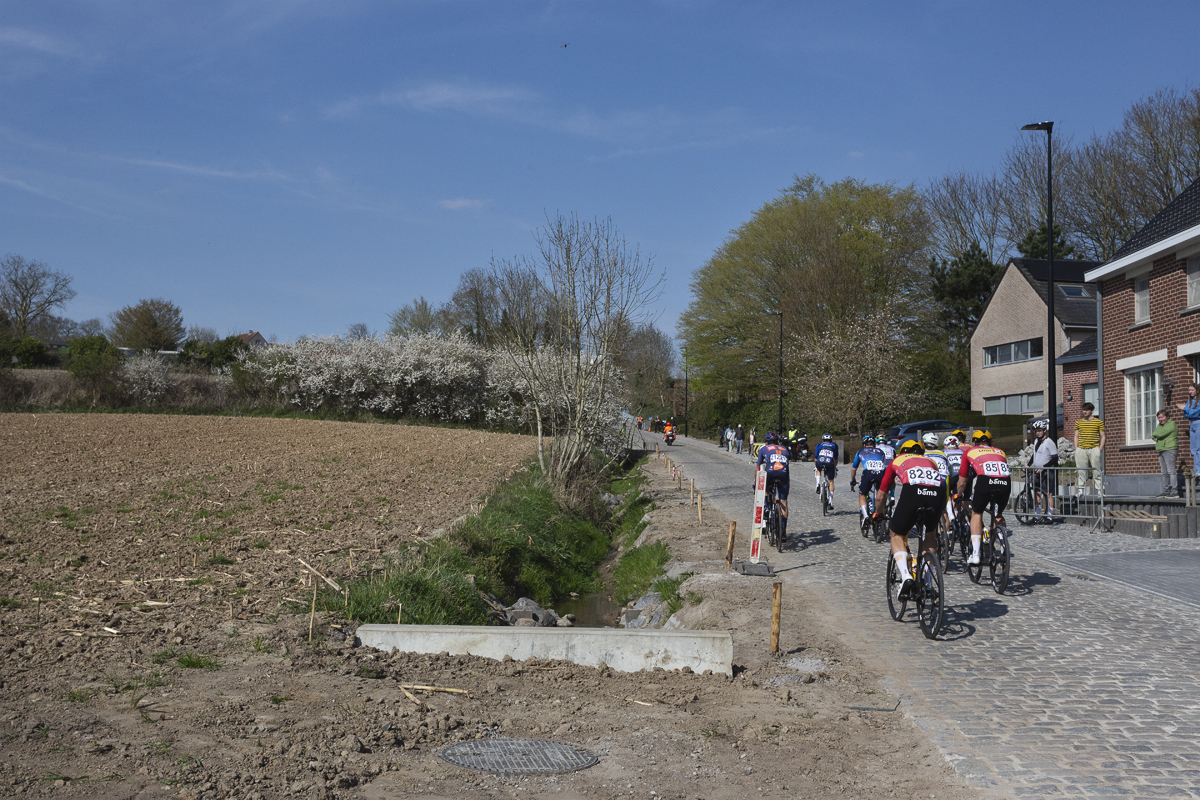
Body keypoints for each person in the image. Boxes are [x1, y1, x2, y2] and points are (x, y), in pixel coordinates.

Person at [873, 439, 945, 600]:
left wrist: (878, 514)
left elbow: (880, 496)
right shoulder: (931, 461)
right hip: (937, 495)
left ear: (902, 451)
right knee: (930, 535)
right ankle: (928, 583)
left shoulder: (896, 461)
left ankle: (906, 576)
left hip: (913, 493)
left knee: (896, 533)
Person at [958, 429, 1011, 565]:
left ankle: (976, 554)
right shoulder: (1000, 451)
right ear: (990, 442)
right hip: (1005, 483)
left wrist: (959, 494)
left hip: (985, 481)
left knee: (977, 513)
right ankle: (1004, 545)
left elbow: (963, 480)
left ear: (974, 442)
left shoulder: (969, 452)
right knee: (998, 514)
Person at [755, 432, 791, 540]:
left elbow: (758, 468)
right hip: (783, 474)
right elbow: (787, 467)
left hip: (770, 473)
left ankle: (766, 506)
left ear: (766, 442)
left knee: (765, 488)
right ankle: (783, 532)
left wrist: (755, 482)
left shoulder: (763, 448)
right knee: (783, 501)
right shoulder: (785, 449)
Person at [849, 435, 886, 523]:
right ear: (875, 444)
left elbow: (854, 468)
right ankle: (879, 513)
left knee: (862, 495)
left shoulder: (860, 452)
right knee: (880, 494)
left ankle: (865, 516)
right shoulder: (881, 451)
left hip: (868, 473)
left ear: (864, 445)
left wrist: (853, 480)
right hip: (881, 473)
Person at [1073, 403, 1106, 495]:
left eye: (1087, 410)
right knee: (1081, 470)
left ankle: (1100, 490)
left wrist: (1100, 449)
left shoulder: (1098, 422)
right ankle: (1081, 490)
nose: (1085, 412)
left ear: (1092, 411)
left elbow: (1103, 436)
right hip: (1081, 449)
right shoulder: (1079, 422)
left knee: (1097, 470)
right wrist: (1076, 448)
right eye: (1083, 410)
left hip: (1094, 448)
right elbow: (1076, 436)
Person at [1029, 419, 1058, 523]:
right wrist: (1028, 464)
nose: (1038, 432)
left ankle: (1049, 516)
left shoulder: (1049, 442)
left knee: (1048, 493)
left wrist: (1044, 466)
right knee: (1037, 493)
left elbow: (1055, 458)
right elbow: (1035, 455)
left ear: (1045, 430)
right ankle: (1037, 516)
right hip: (1036, 471)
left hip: (1047, 471)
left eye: (1040, 430)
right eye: (1036, 431)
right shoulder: (1036, 441)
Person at [1175, 383, 1200, 488]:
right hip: (1192, 424)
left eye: (1192, 390)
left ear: (1197, 391)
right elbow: (1187, 415)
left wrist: (1186, 409)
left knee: (1198, 448)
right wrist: (1187, 410)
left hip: (1198, 423)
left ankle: (1198, 469)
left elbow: (1196, 413)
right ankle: (1196, 469)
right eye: (1189, 390)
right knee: (1193, 448)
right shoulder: (1189, 402)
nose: (1190, 392)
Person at [1152, 408, 1178, 498]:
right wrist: (1156, 435)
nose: (1160, 419)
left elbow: (1159, 434)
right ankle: (1166, 491)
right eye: (1158, 418)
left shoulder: (1171, 424)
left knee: (1171, 471)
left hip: (1170, 449)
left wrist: (1157, 436)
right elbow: (1153, 435)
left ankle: (1174, 491)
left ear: (1167, 417)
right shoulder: (1159, 426)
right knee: (1164, 472)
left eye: (1162, 417)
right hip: (1161, 449)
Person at [813, 433, 839, 509]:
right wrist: (834, 467)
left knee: (818, 469)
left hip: (820, 461)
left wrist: (816, 466)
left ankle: (817, 484)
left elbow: (815, 458)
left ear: (822, 440)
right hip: (829, 462)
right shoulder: (834, 445)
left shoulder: (819, 445)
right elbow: (836, 459)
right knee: (831, 482)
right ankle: (830, 502)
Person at [942, 434, 964, 521]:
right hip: (963, 476)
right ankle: (966, 522)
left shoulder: (944, 452)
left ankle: (951, 514)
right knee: (959, 495)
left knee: (947, 494)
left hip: (952, 475)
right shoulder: (962, 452)